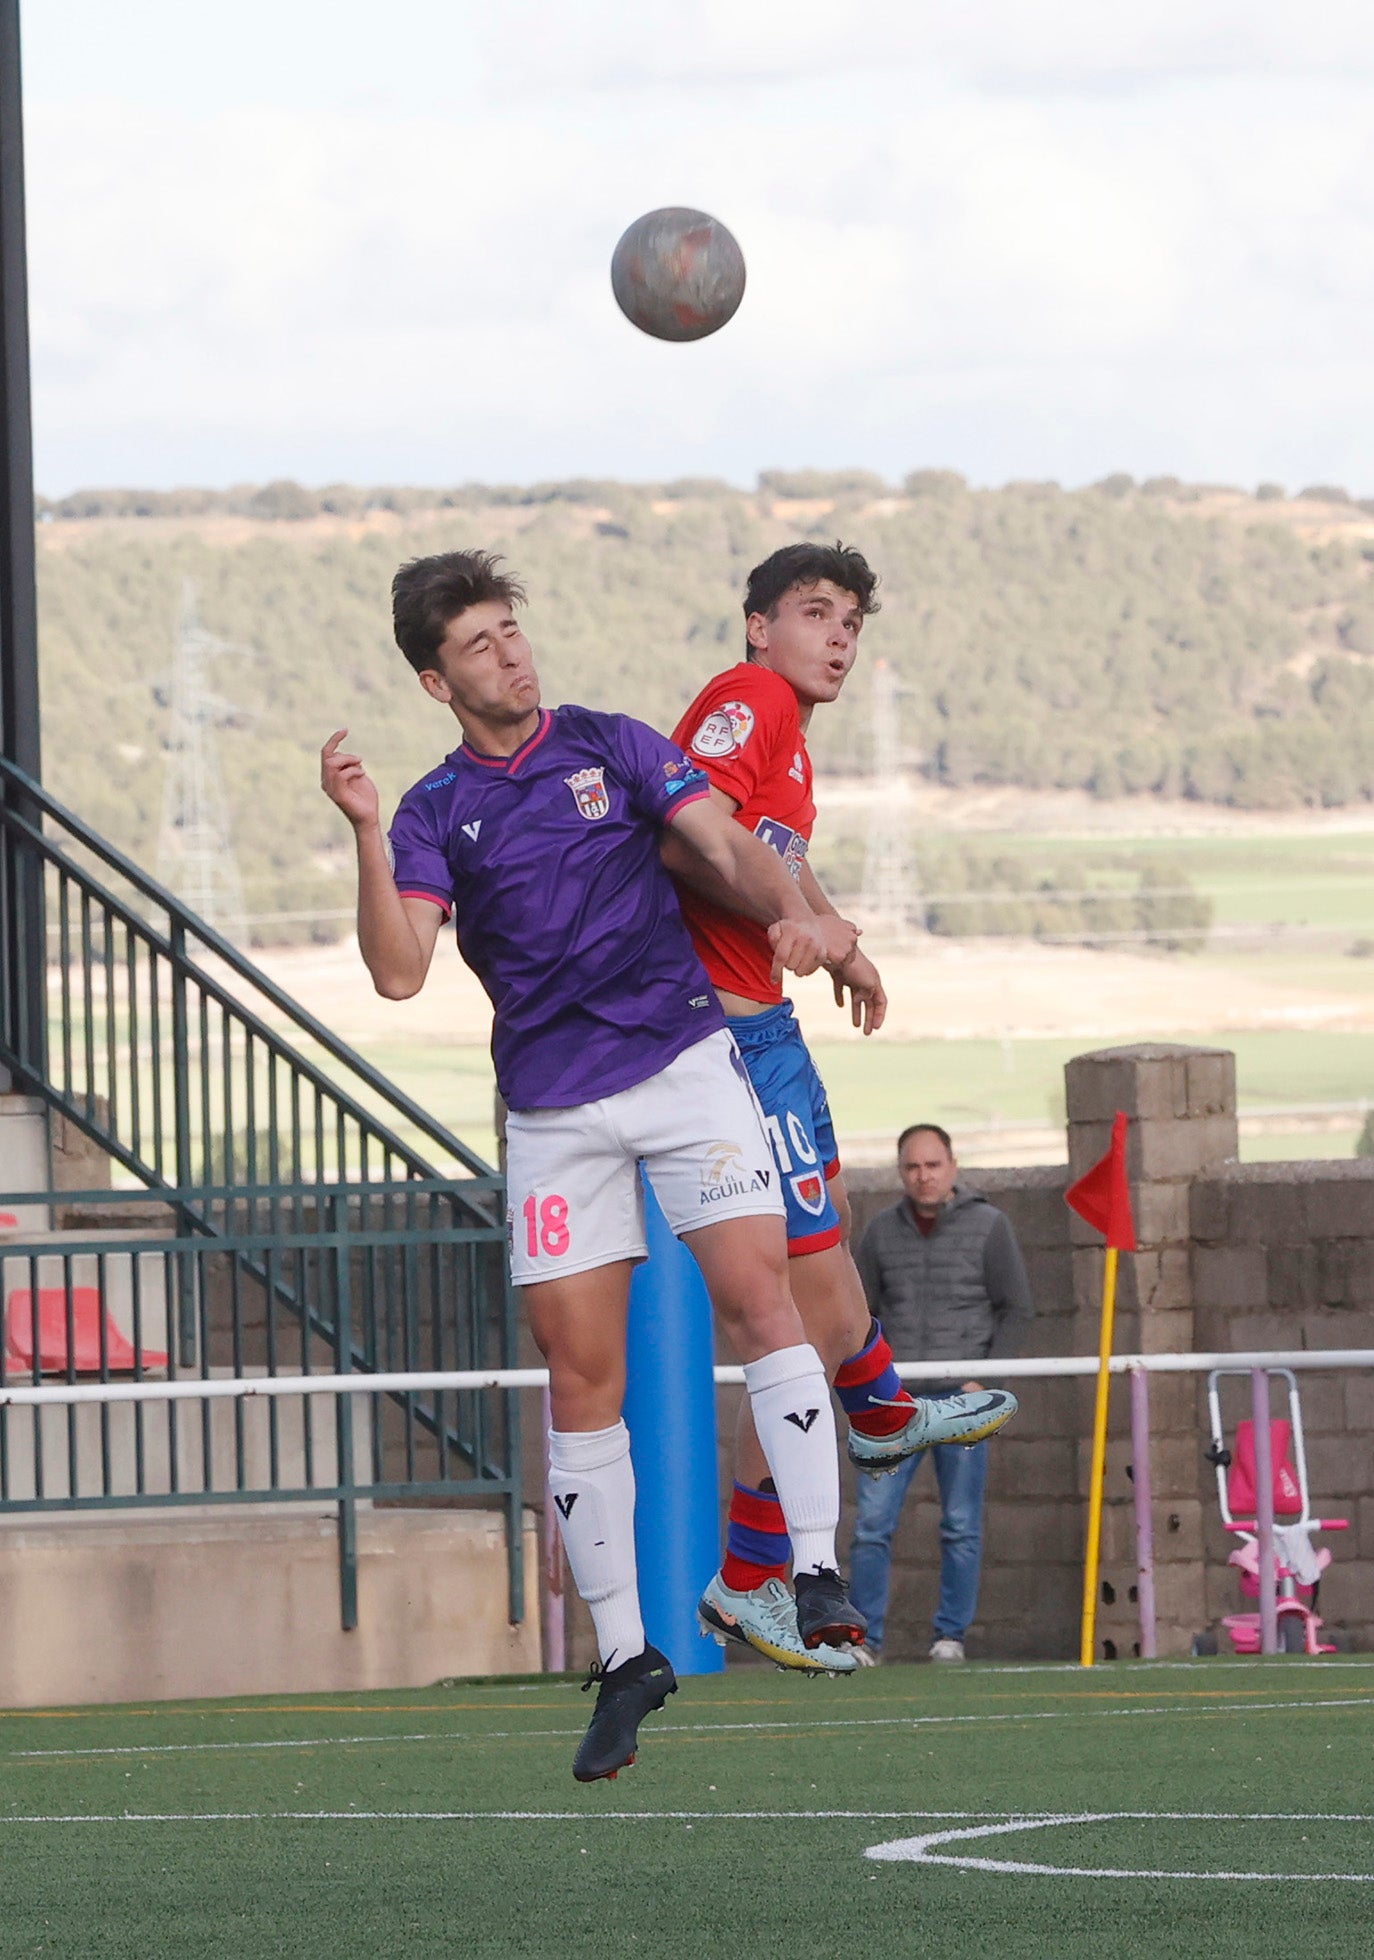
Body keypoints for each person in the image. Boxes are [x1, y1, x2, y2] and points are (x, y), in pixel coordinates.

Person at [320, 548, 868, 1784]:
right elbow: (400, 968)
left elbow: (721, 846)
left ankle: (817, 1569)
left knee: (758, 1294)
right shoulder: (425, 812)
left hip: (683, 1066)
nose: (510, 654)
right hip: (555, 1117)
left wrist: (798, 915)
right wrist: (361, 831)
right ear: (435, 678)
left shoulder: (612, 743)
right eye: (480, 644)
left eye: (514, 630)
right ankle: (627, 1657)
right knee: (579, 1374)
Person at [661, 543, 1018, 1672]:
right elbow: (687, 828)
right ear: (758, 623)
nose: (839, 637)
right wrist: (793, 932)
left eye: (853, 622)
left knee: (795, 1321)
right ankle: (877, 1412)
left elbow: (776, 854)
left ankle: (759, 1571)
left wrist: (834, 933)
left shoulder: (793, 743)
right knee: (805, 1299)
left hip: (758, 1026)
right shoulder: (748, 696)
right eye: (816, 613)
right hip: (722, 1032)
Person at [848, 1122, 1035, 1663]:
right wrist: (871, 1381)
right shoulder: (880, 1233)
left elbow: (1016, 1309)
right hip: (895, 1401)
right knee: (871, 1527)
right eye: (912, 1166)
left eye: (932, 1165)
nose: (923, 1176)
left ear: (952, 1167)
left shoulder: (990, 1226)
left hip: (962, 1400)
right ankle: (866, 1641)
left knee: (959, 1524)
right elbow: (861, 1315)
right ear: (900, 1171)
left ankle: (950, 1637)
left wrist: (986, 1379)